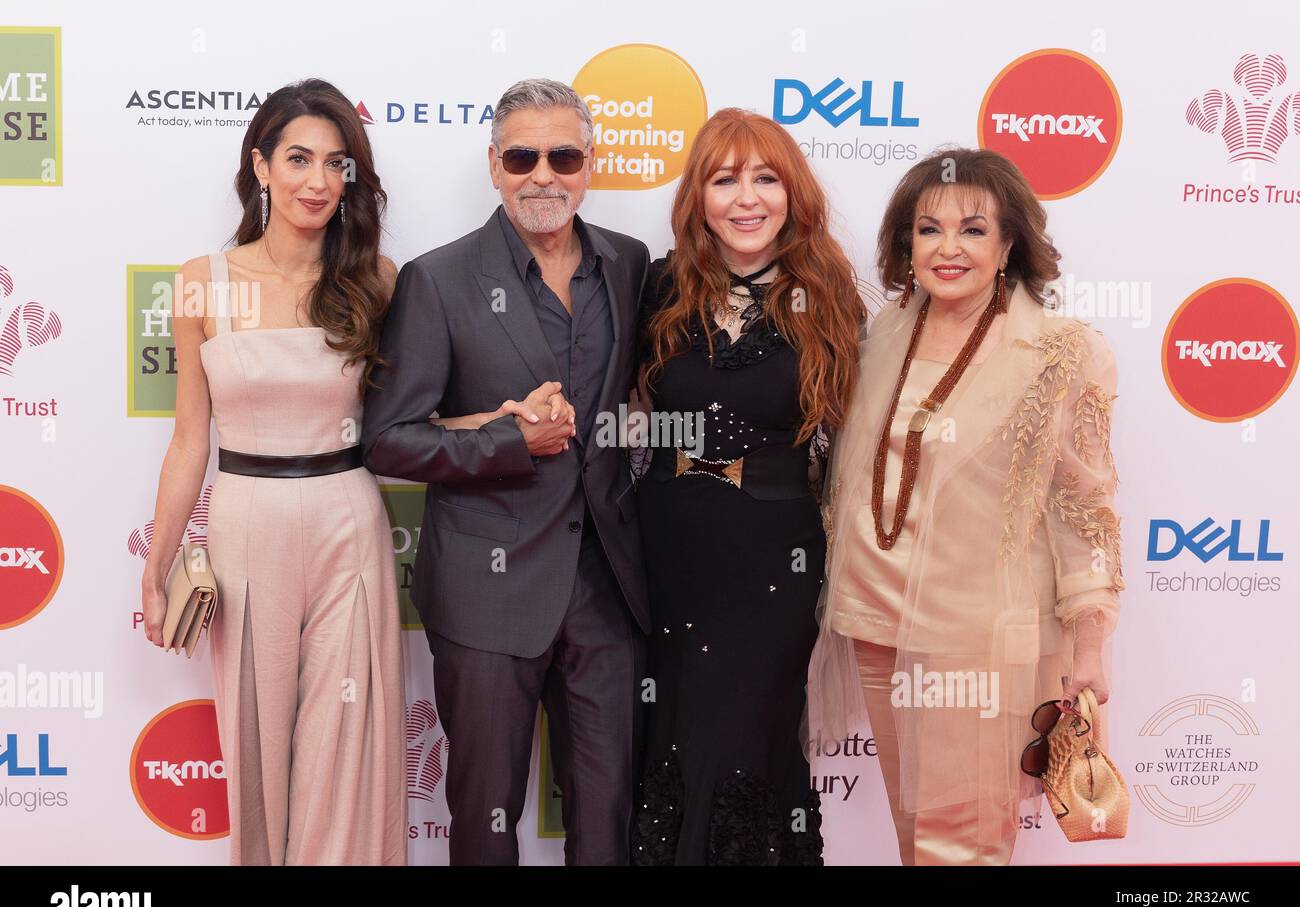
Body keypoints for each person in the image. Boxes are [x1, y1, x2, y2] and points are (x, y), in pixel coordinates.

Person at [361, 78, 652, 866]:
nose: (543, 175)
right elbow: (388, 440)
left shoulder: (628, 264)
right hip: (488, 594)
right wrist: (507, 440)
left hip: (608, 593)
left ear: (591, 162)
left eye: (564, 155)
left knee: (609, 821)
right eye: (522, 156)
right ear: (493, 164)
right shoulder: (439, 279)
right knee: (486, 822)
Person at [809, 147, 1122, 865]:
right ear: (905, 243)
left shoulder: (1060, 351)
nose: (948, 248)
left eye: (973, 229)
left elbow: (1086, 507)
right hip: (875, 621)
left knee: (964, 843)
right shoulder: (883, 332)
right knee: (912, 826)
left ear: (1009, 243)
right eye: (928, 229)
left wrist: (1091, 640)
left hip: (976, 636)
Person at [140, 78, 406, 865]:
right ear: (260, 166)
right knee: (252, 745)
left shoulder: (378, 280)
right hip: (245, 519)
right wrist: (156, 568)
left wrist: (506, 421)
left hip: (348, 520)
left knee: (346, 750)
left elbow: (410, 419)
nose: (318, 181)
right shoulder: (202, 282)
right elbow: (191, 439)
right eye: (297, 158)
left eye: (335, 163)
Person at [631, 108, 865, 865]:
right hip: (666, 551)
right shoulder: (659, 288)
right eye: (724, 178)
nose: (746, 198)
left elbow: (864, 440)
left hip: (776, 559)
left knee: (750, 741)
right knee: (675, 736)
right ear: (698, 195)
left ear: (792, 192)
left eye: (765, 177)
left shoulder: (829, 296)